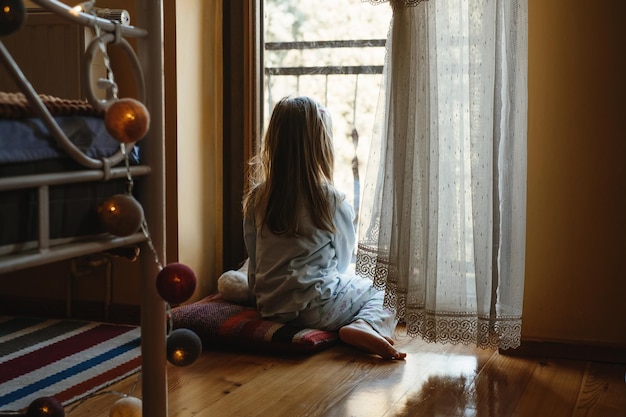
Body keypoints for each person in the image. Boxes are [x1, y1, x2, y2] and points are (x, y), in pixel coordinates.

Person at [242, 96, 406, 360]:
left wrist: (257, 296)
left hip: (270, 307)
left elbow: (255, 259)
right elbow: (342, 262)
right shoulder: (330, 200)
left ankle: (357, 324)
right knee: (390, 289)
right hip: (318, 309)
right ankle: (366, 325)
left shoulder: (257, 199)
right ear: (321, 147)